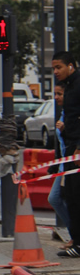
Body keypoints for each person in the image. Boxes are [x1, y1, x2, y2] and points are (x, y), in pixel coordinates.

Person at [52, 52, 80, 257]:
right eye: (53, 68)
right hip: (70, 148)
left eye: (58, 67)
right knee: (70, 195)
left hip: (77, 149)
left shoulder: (78, 85)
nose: (55, 72)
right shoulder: (69, 87)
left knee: (75, 195)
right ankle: (77, 241)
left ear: (71, 66)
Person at [47, 84, 71, 245]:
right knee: (55, 198)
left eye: (59, 94)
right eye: (55, 94)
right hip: (63, 165)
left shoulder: (73, 113)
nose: (56, 97)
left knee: (68, 199)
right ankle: (74, 232)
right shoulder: (64, 112)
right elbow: (60, 143)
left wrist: (65, 129)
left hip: (72, 165)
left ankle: (75, 235)